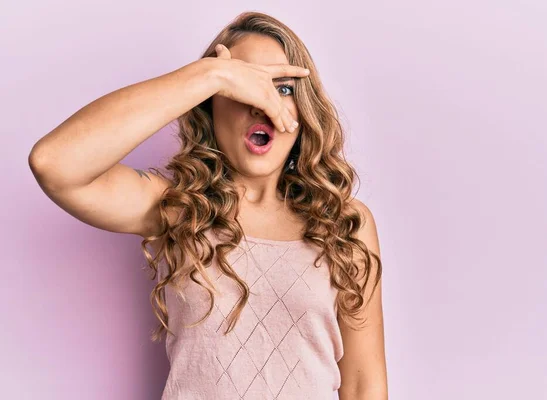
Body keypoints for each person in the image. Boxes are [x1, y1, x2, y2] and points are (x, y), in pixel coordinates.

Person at [28, 11, 388, 400]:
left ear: (303, 112)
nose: (261, 103)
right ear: (210, 106)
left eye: (281, 88)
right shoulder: (177, 208)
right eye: (244, 86)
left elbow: (363, 382)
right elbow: (54, 164)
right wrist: (209, 75)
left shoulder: (344, 223)